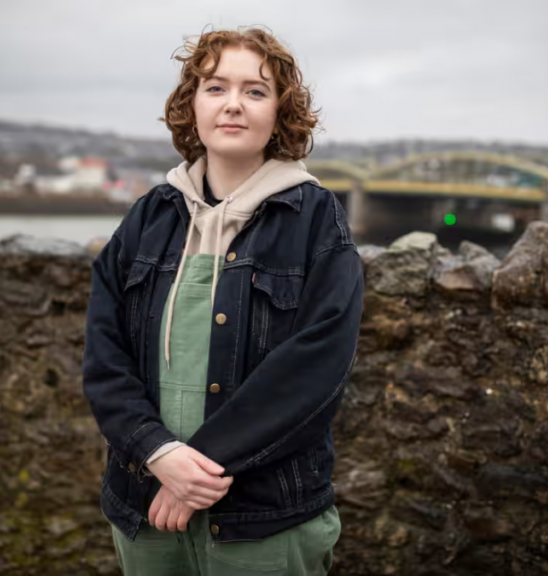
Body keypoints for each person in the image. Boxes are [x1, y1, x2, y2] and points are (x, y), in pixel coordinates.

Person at [82, 25, 363, 575]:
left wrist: (195, 477)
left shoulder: (315, 220)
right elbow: (103, 352)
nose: (233, 105)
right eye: (215, 87)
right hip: (147, 509)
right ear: (192, 104)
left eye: (255, 91)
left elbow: (315, 370)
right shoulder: (149, 215)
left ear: (281, 111)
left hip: (261, 520)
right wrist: (158, 453)